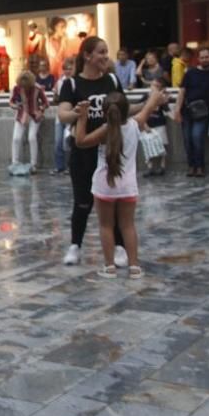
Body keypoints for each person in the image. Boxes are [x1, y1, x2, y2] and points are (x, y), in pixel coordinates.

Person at [74, 89, 167, 280]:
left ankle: (109, 267)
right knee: (128, 226)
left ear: (104, 112)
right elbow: (148, 107)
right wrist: (155, 97)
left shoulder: (104, 131)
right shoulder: (136, 125)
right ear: (126, 111)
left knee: (106, 226)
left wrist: (82, 117)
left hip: (103, 185)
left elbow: (81, 141)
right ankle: (134, 267)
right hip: (127, 186)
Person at [58, 36, 130, 267]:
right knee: (82, 201)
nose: (105, 56)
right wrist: (79, 112)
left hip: (109, 150)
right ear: (87, 55)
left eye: (106, 52)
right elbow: (62, 114)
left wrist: (150, 105)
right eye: (100, 52)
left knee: (114, 199)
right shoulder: (71, 84)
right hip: (83, 151)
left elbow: (125, 109)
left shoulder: (111, 80)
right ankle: (75, 245)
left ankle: (120, 246)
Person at [175, 47, 209, 177]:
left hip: (204, 111)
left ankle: (200, 166)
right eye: (202, 57)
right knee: (187, 140)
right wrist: (177, 109)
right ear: (198, 59)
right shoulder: (190, 73)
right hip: (187, 109)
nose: (204, 60)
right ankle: (191, 166)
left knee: (197, 137)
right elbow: (182, 91)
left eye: (206, 57)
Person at [9, 70, 48, 171]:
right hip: (21, 115)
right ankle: (15, 162)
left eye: (26, 86)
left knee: (32, 137)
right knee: (16, 138)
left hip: (35, 116)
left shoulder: (37, 88)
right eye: (22, 86)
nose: (24, 88)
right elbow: (11, 102)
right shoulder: (17, 88)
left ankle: (33, 164)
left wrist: (41, 110)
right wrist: (15, 106)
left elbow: (46, 103)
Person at [51, 58, 75, 175]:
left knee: (68, 141)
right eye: (65, 69)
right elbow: (55, 98)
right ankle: (59, 166)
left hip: (71, 115)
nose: (68, 71)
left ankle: (70, 166)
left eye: (70, 69)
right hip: (60, 114)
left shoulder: (75, 82)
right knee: (58, 141)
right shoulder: (60, 82)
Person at [142, 77, 171, 177]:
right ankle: (150, 167)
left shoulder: (162, 97)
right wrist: (144, 124)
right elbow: (139, 110)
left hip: (159, 123)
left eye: (157, 86)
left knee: (162, 144)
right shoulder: (146, 96)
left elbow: (167, 110)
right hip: (148, 124)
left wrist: (165, 100)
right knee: (147, 146)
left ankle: (162, 166)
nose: (154, 88)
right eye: (153, 85)